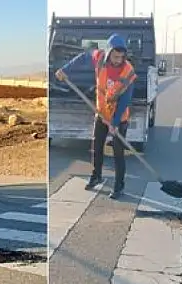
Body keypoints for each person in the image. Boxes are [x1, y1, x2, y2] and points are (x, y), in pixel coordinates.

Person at [55, 33, 137, 199]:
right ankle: (96, 176)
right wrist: (65, 70)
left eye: (121, 57)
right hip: (101, 113)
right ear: (108, 53)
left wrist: (114, 122)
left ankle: (119, 186)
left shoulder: (128, 71)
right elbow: (82, 58)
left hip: (119, 118)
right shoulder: (99, 58)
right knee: (97, 147)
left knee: (118, 152)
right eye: (115, 56)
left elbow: (125, 100)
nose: (118, 60)